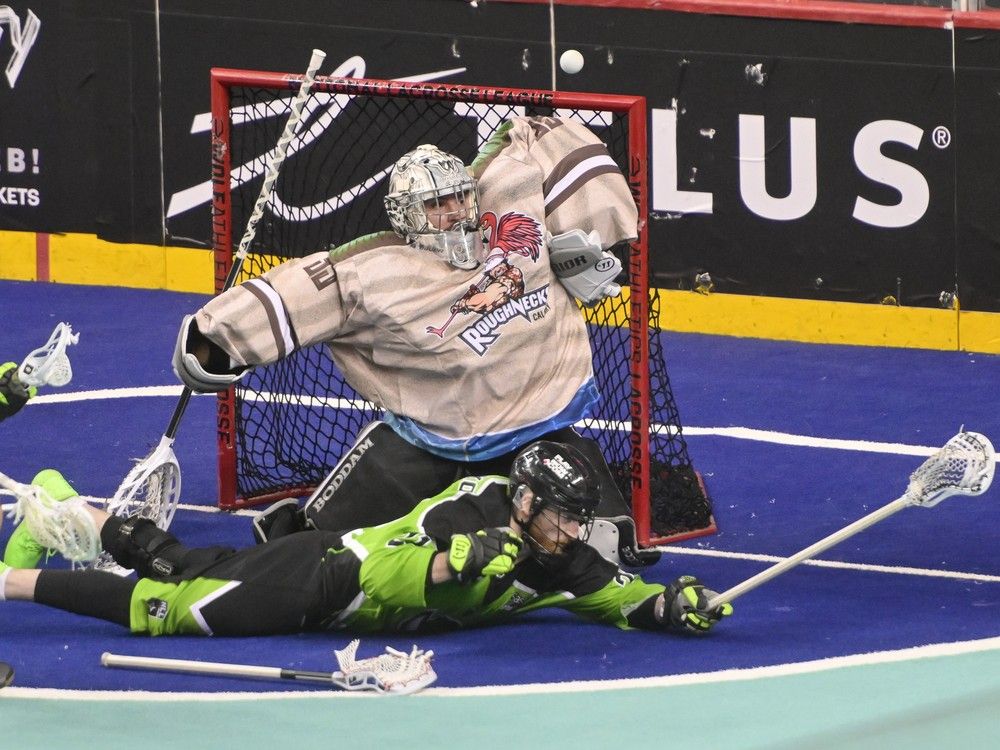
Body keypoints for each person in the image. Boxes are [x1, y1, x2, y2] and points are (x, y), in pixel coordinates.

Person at [172, 115, 662, 567]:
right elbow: (297, 293)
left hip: (540, 426)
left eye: (459, 197)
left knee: (609, 550)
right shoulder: (375, 273)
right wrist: (219, 336)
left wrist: (575, 191)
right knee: (313, 552)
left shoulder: (508, 212)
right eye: (435, 205)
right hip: (434, 441)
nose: (454, 213)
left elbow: (532, 139)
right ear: (405, 214)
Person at [0, 441, 732, 637]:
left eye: (579, 519)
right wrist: (458, 564)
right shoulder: (472, 513)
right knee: (166, 606)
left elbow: (614, 596)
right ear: (528, 499)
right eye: (563, 515)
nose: (574, 532)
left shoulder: (556, 550)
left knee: (190, 561)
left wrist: (668, 607)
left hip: (325, 578)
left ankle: (62, 508)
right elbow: (385, 576)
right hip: (326, 583)